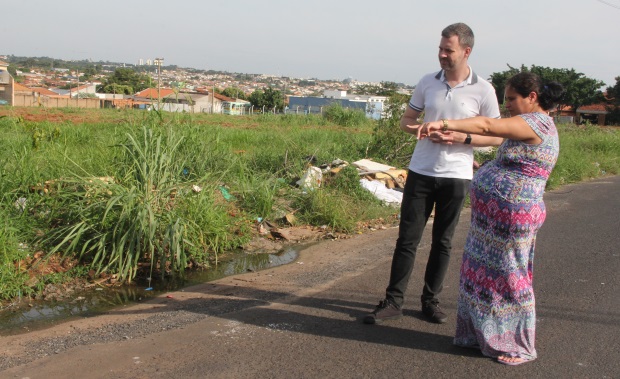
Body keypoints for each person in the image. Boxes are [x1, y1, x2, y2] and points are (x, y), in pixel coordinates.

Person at [416, 72, 564, 365]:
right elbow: (506, 153)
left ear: (531, 97)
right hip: (492, 221)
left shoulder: (536, 122)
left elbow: (487, 124)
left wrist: (444, 122)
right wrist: (476, 156)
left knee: (510, 277)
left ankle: (517, 345)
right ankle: (480, 336)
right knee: (482, 276)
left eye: (511, 99)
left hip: (512, 217)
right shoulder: (527, 125)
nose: (507, 104)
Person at [363, 22, 503, 325]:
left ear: (466, 51)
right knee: (407, 239)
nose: (441, 54)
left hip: (457, 175)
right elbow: (407, 120)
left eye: (448, 50)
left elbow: (495, 136)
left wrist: (461, 138)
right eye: (440, 48)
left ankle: (430, 302)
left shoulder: (484, 89)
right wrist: (422, 129)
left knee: (443, 241)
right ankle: (393, 301)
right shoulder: (428, 82)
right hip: (421, 171)